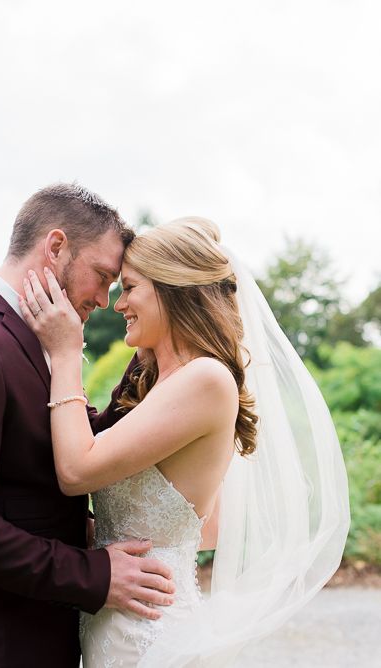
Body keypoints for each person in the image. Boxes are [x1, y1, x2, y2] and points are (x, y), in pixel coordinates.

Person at [20, 217, 350, 666]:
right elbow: (205, 525)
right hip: (118, 626)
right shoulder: (160, 380)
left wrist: (64, 354)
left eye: (131, 287)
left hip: (151, 638)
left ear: (171, 290)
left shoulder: (207, 379)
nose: (119, 305)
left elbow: (77, 471)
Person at [0, 183, 176, 668]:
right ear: (55, 248)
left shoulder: (41, 333)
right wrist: (94, 576)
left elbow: (59, 443)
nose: (106, 297)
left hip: (37, 632)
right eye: (102, 275)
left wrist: (159, 350)